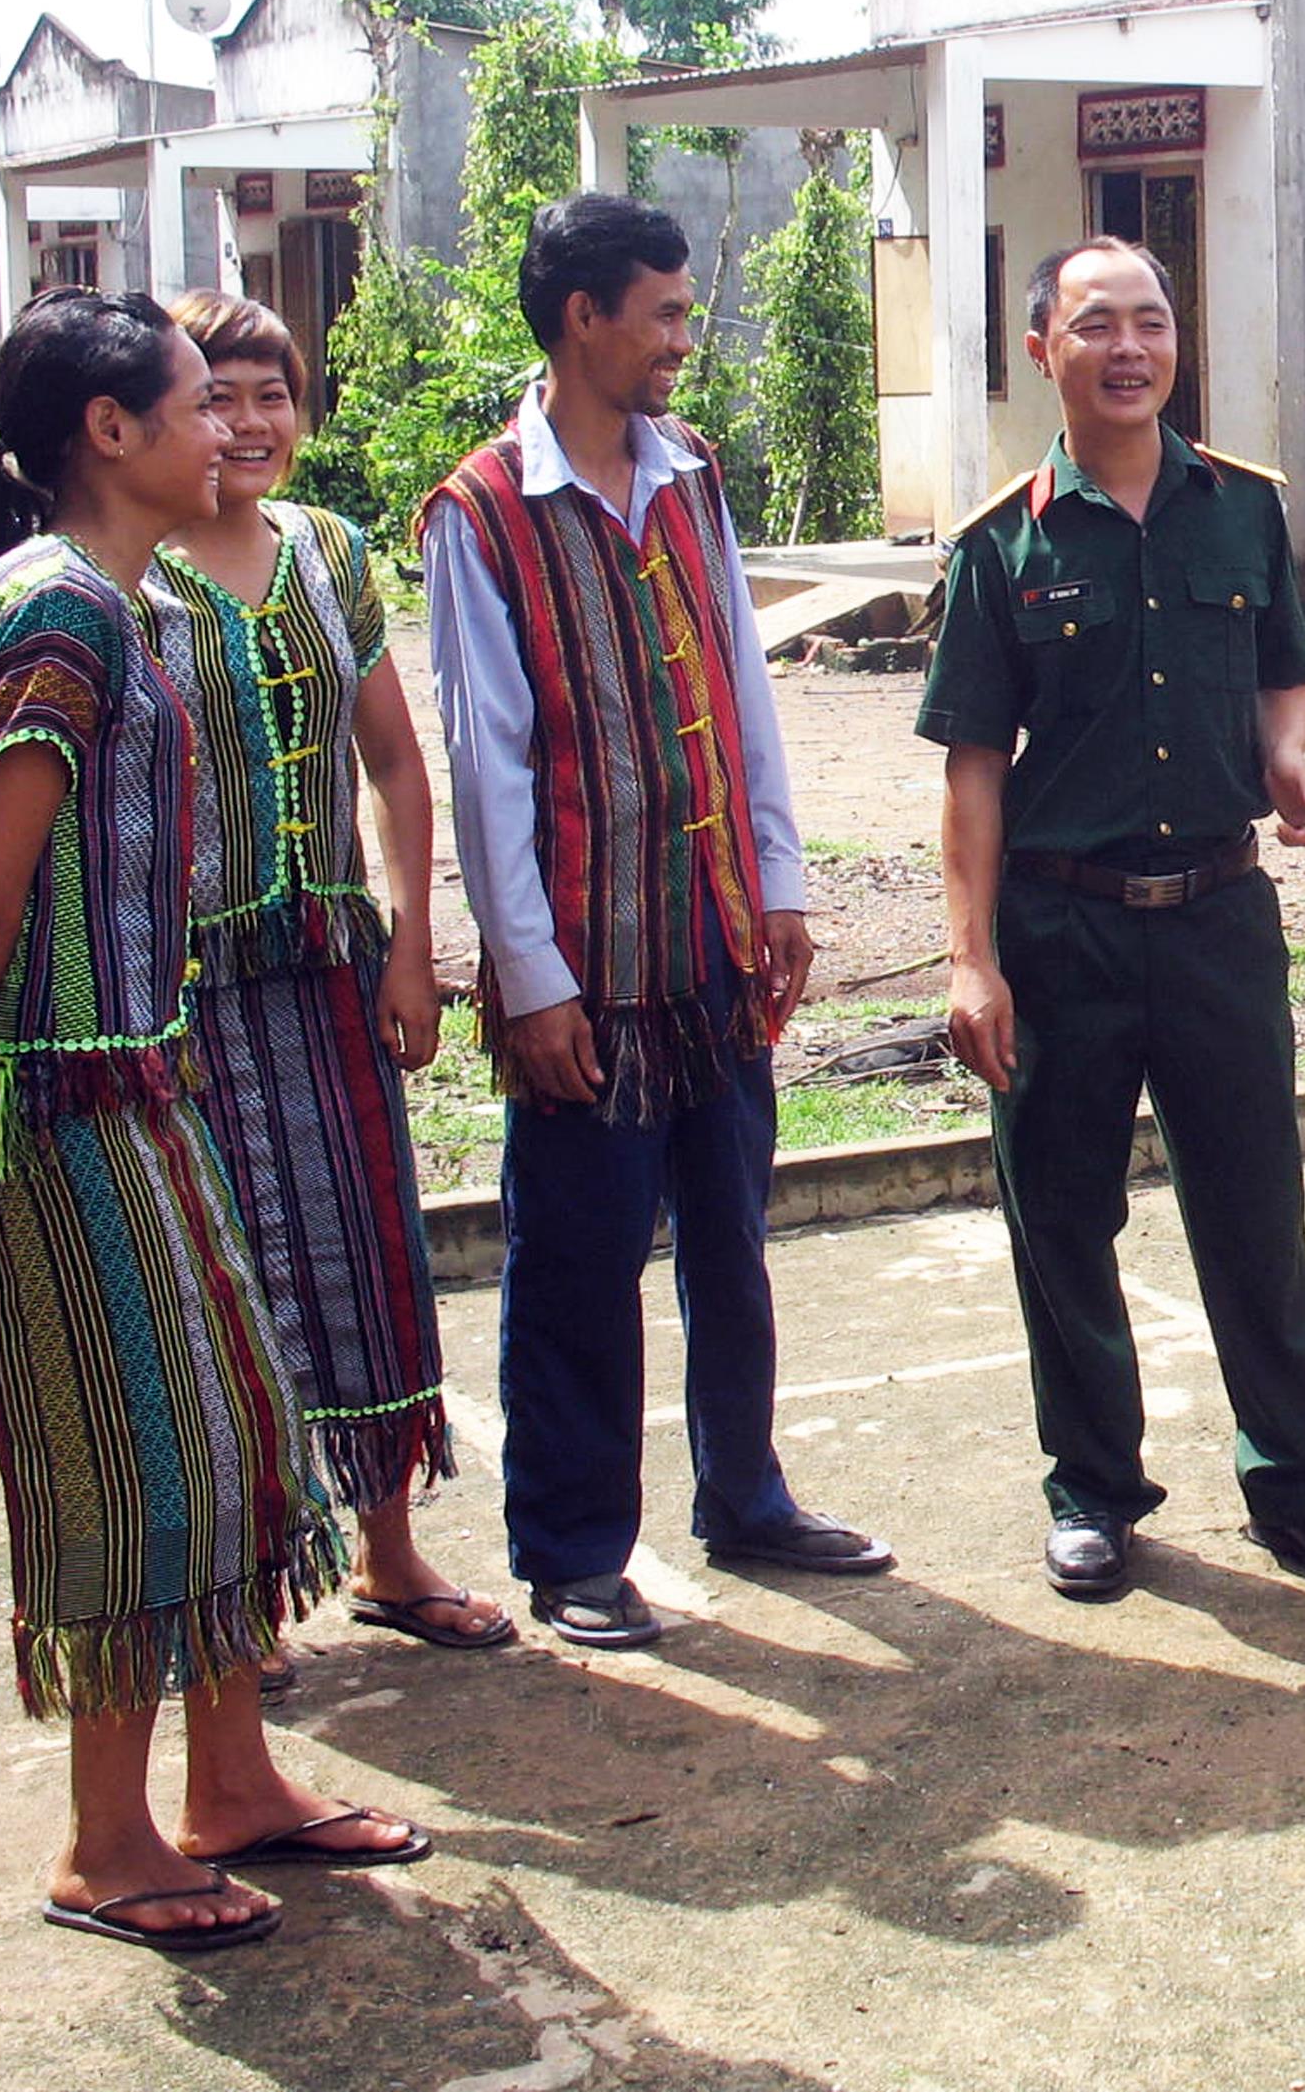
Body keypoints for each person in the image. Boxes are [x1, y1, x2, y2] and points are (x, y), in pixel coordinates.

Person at [0, 288, 426, 1954]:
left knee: (231, 1435)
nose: (227, 431)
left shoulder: (98, 602)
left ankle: (232, 1781)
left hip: (140, 1078)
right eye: (194, 405)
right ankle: (107, 1843)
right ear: (111, 435)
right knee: (135, 1461)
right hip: (63, 1103)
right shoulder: (63, 621)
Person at [422, 194, 889, 1654]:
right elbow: (487, 762)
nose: (687, 338)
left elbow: (744, 693)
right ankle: (570, 1549)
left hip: (711, 944)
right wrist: (532, 979)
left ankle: (744, 1494)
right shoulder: (481, 511)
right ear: (584, 318)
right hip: (586, 967)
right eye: (667, 312)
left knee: (732, 1243)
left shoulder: (687, 473)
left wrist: (782, 881)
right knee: (578, 1260)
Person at [920, 236, 1305, 1601]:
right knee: (1060, 1219)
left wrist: (1288, 755)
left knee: (1255, 1215)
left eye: (1150, 322)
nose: (1128, 349)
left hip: (1214, 921)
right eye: (1096, 327)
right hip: (1058, 929)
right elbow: (969, 769)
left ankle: (1303, 1491)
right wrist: (971, 961)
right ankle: (1091, 1492)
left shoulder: (1240, 511)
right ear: (1043, 351)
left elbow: (1282, 679)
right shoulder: (998, 546)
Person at [157, 292, 503, 1667]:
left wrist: (411, 939)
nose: (246, 426)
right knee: (222, 1279)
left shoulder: (328, 552)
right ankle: (245, 1599)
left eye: (270, 397)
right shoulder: (118, 571)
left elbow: (394, 761)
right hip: (179, 986)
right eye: (218, 398)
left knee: (365, 1254)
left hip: (324, 966)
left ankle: (389, 1551)